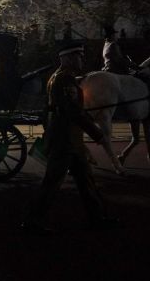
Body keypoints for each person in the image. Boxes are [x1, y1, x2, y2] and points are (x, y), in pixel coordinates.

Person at [21, 43, 119, 233]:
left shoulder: (60, 78)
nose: (81, 60)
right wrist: (97, 133)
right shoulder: (65, 80)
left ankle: (97, 217)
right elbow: (73, 111)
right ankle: (33, 221)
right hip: (65, 141)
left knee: (86, 181)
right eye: (78, 56)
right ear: (66, 58)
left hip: (69, 140)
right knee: (53, 183)